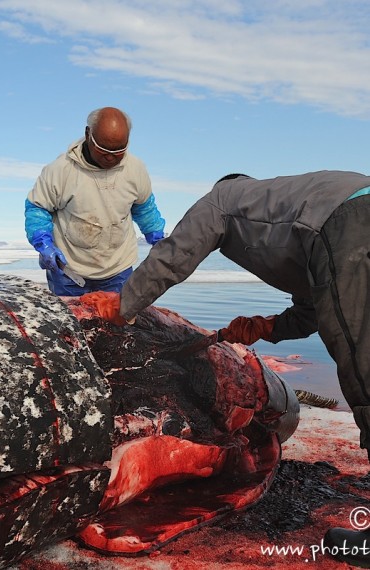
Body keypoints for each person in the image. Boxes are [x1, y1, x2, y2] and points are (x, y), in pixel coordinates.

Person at [90, 170, 370, 567]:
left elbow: (176, 255)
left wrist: (124, 305)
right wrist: (268, 327)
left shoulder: (221, 200)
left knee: (365, 374)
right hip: (355, 219)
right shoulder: (292, 204)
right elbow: (319, 304)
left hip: (351, 225)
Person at [25, 106, 165, 295]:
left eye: (118, 151)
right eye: (103, 149)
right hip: (68, 271)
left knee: (118, 323)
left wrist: (157, 238)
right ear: (88, 133)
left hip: (118, 270)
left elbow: (144, 208)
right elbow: (38, 209)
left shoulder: (135, 170)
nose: (110, 157)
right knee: (72, 322)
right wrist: (44, 244)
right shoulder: (61, 170)